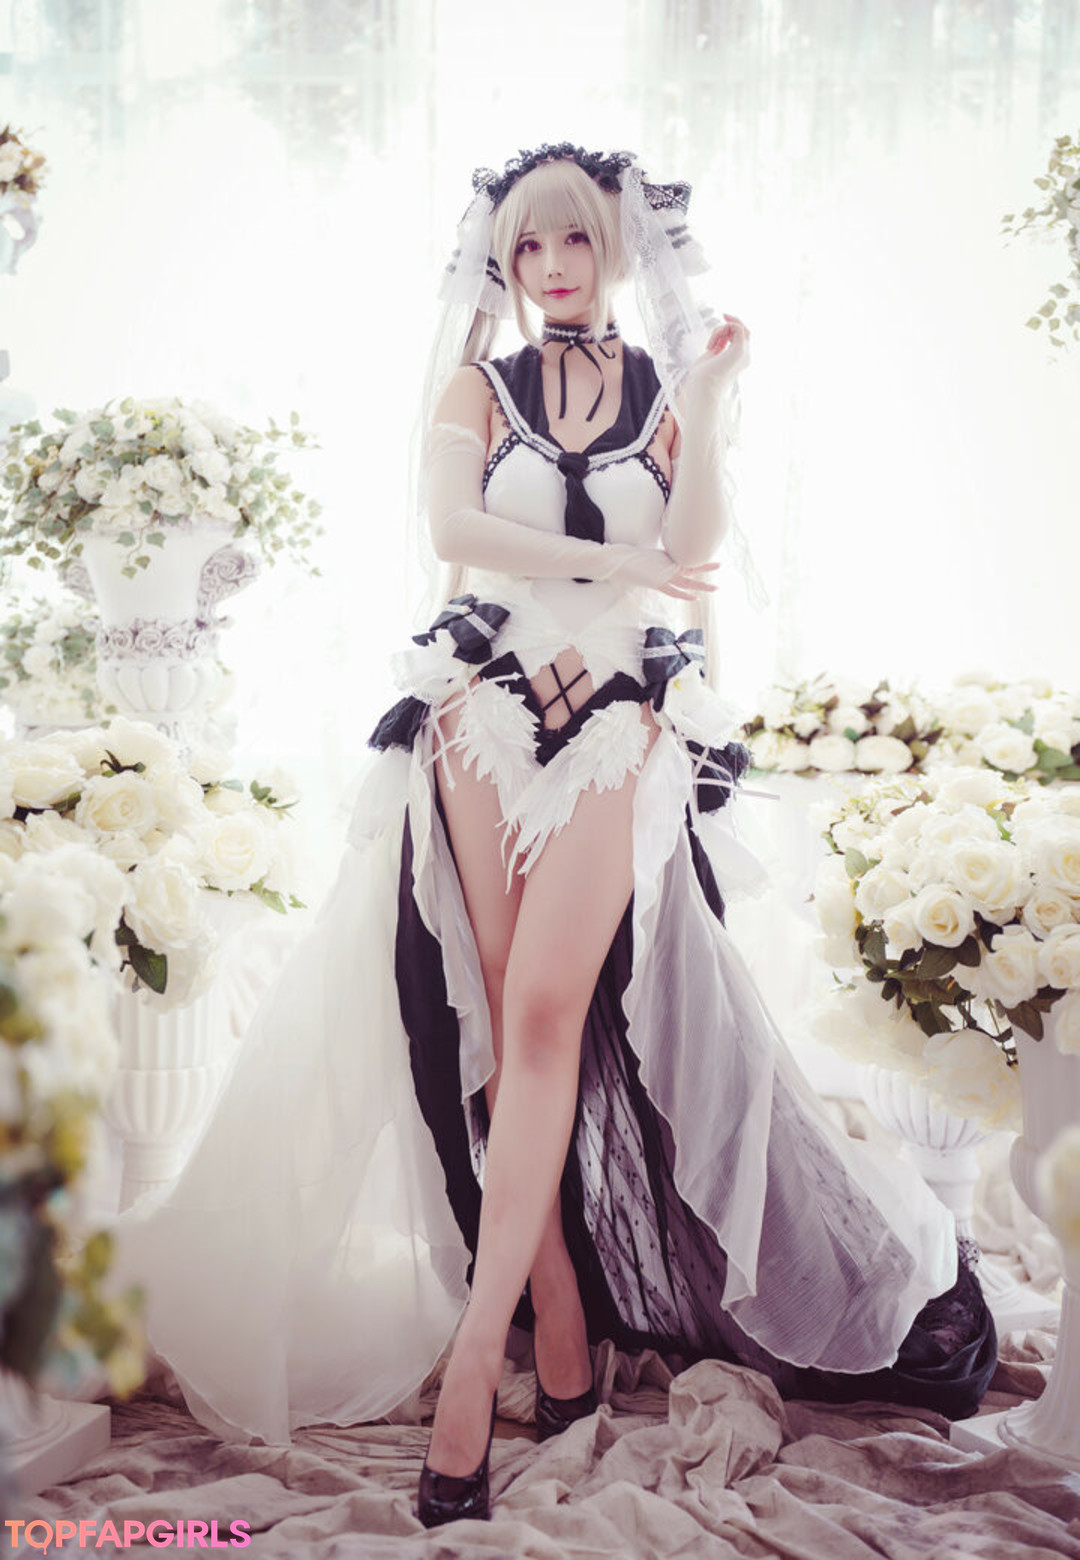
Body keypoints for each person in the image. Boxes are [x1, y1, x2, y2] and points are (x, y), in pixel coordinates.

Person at [111, 144, 995, 1532]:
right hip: (483, 703)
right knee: (496, 1011)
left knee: (541, 1014)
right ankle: (558, 1312)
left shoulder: (664, 391)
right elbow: (456, 525)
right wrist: (617, 562)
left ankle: (480, 1359)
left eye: (574, 239)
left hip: (623, 717)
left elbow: (690, 549)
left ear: (617, 246)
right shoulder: (481, 384)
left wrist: (710, 405)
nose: (552, 266)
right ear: (504, 261)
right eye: (528, 246)